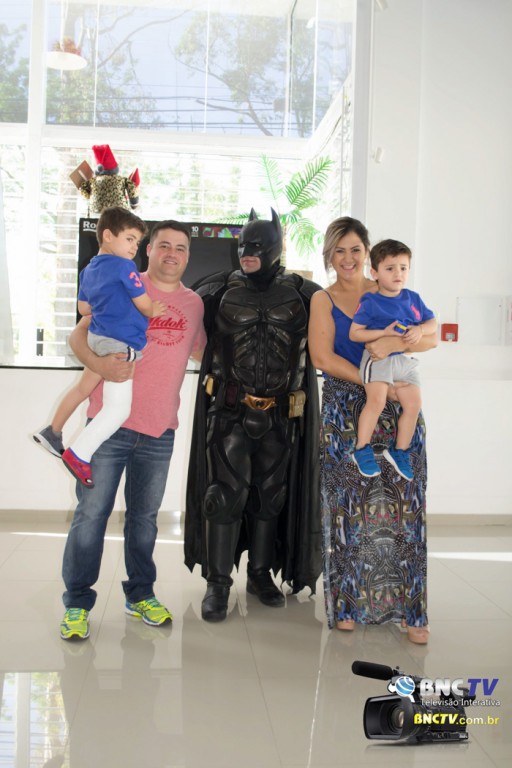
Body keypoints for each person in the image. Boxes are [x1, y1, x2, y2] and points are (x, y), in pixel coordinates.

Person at [58, 219, 206, 641]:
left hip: (160, 429)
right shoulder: (122, 279)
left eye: (180, 247)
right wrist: (99, 365)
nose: (172, 254)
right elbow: (77, 336)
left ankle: (140, 594)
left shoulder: (194, 304)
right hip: (109, 427)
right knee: (91, 516)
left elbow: (204, 352)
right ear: (148, 250)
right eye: (164, 245)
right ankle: (77, 604)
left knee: (144, 520)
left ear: (187, 256)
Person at [185, 209, 322, 622]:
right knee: (222, 496)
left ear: (276, 248)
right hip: (229, 410)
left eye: (257, 246)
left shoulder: (305, 294)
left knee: (271, 497)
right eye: (243, 245)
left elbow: (339, 333)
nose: (247, 252)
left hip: (281, 415)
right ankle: (218, 582)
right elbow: (177, 330)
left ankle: (261, 574)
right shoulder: (216, 290)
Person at [308, 217, 437, 644]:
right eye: (339, 250)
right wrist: (371, 379)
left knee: (405, 509)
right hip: (346, 409)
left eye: (355, 249)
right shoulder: (323, 299)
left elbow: (429, 337)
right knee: (349, 510)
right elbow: (322, 357)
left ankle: (411, 611)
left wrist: (394, 346)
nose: (348, 258)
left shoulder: (391, 287)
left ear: (368, 253)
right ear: (329, 255)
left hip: (398, 405)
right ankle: (348, 604)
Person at [34, 206, 167, 488]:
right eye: (129, 239)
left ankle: (53, 431)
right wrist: (153, 309)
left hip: (98, 339)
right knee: (118, 410)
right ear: (107, 235)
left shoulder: (89, 270)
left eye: (137, 242)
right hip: (120, 343)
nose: (134, 247)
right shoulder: (125, 267)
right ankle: (79, 454)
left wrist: (108, 304)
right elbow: (143, 303)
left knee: (83, 388)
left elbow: (84, 308)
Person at [348, 239, 437, 481]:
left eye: (403, 268)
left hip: (405, 361)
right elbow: (355, 333)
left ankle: (399, 451)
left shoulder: (413, 298)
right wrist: (384, 333)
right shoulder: (370, 301)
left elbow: (432, 323)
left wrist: (420, 330)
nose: (398, 273)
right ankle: (362, 449)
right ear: (375, 273)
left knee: (413, 405)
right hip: (378, 359)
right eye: (390, 268)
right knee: (376, 402)